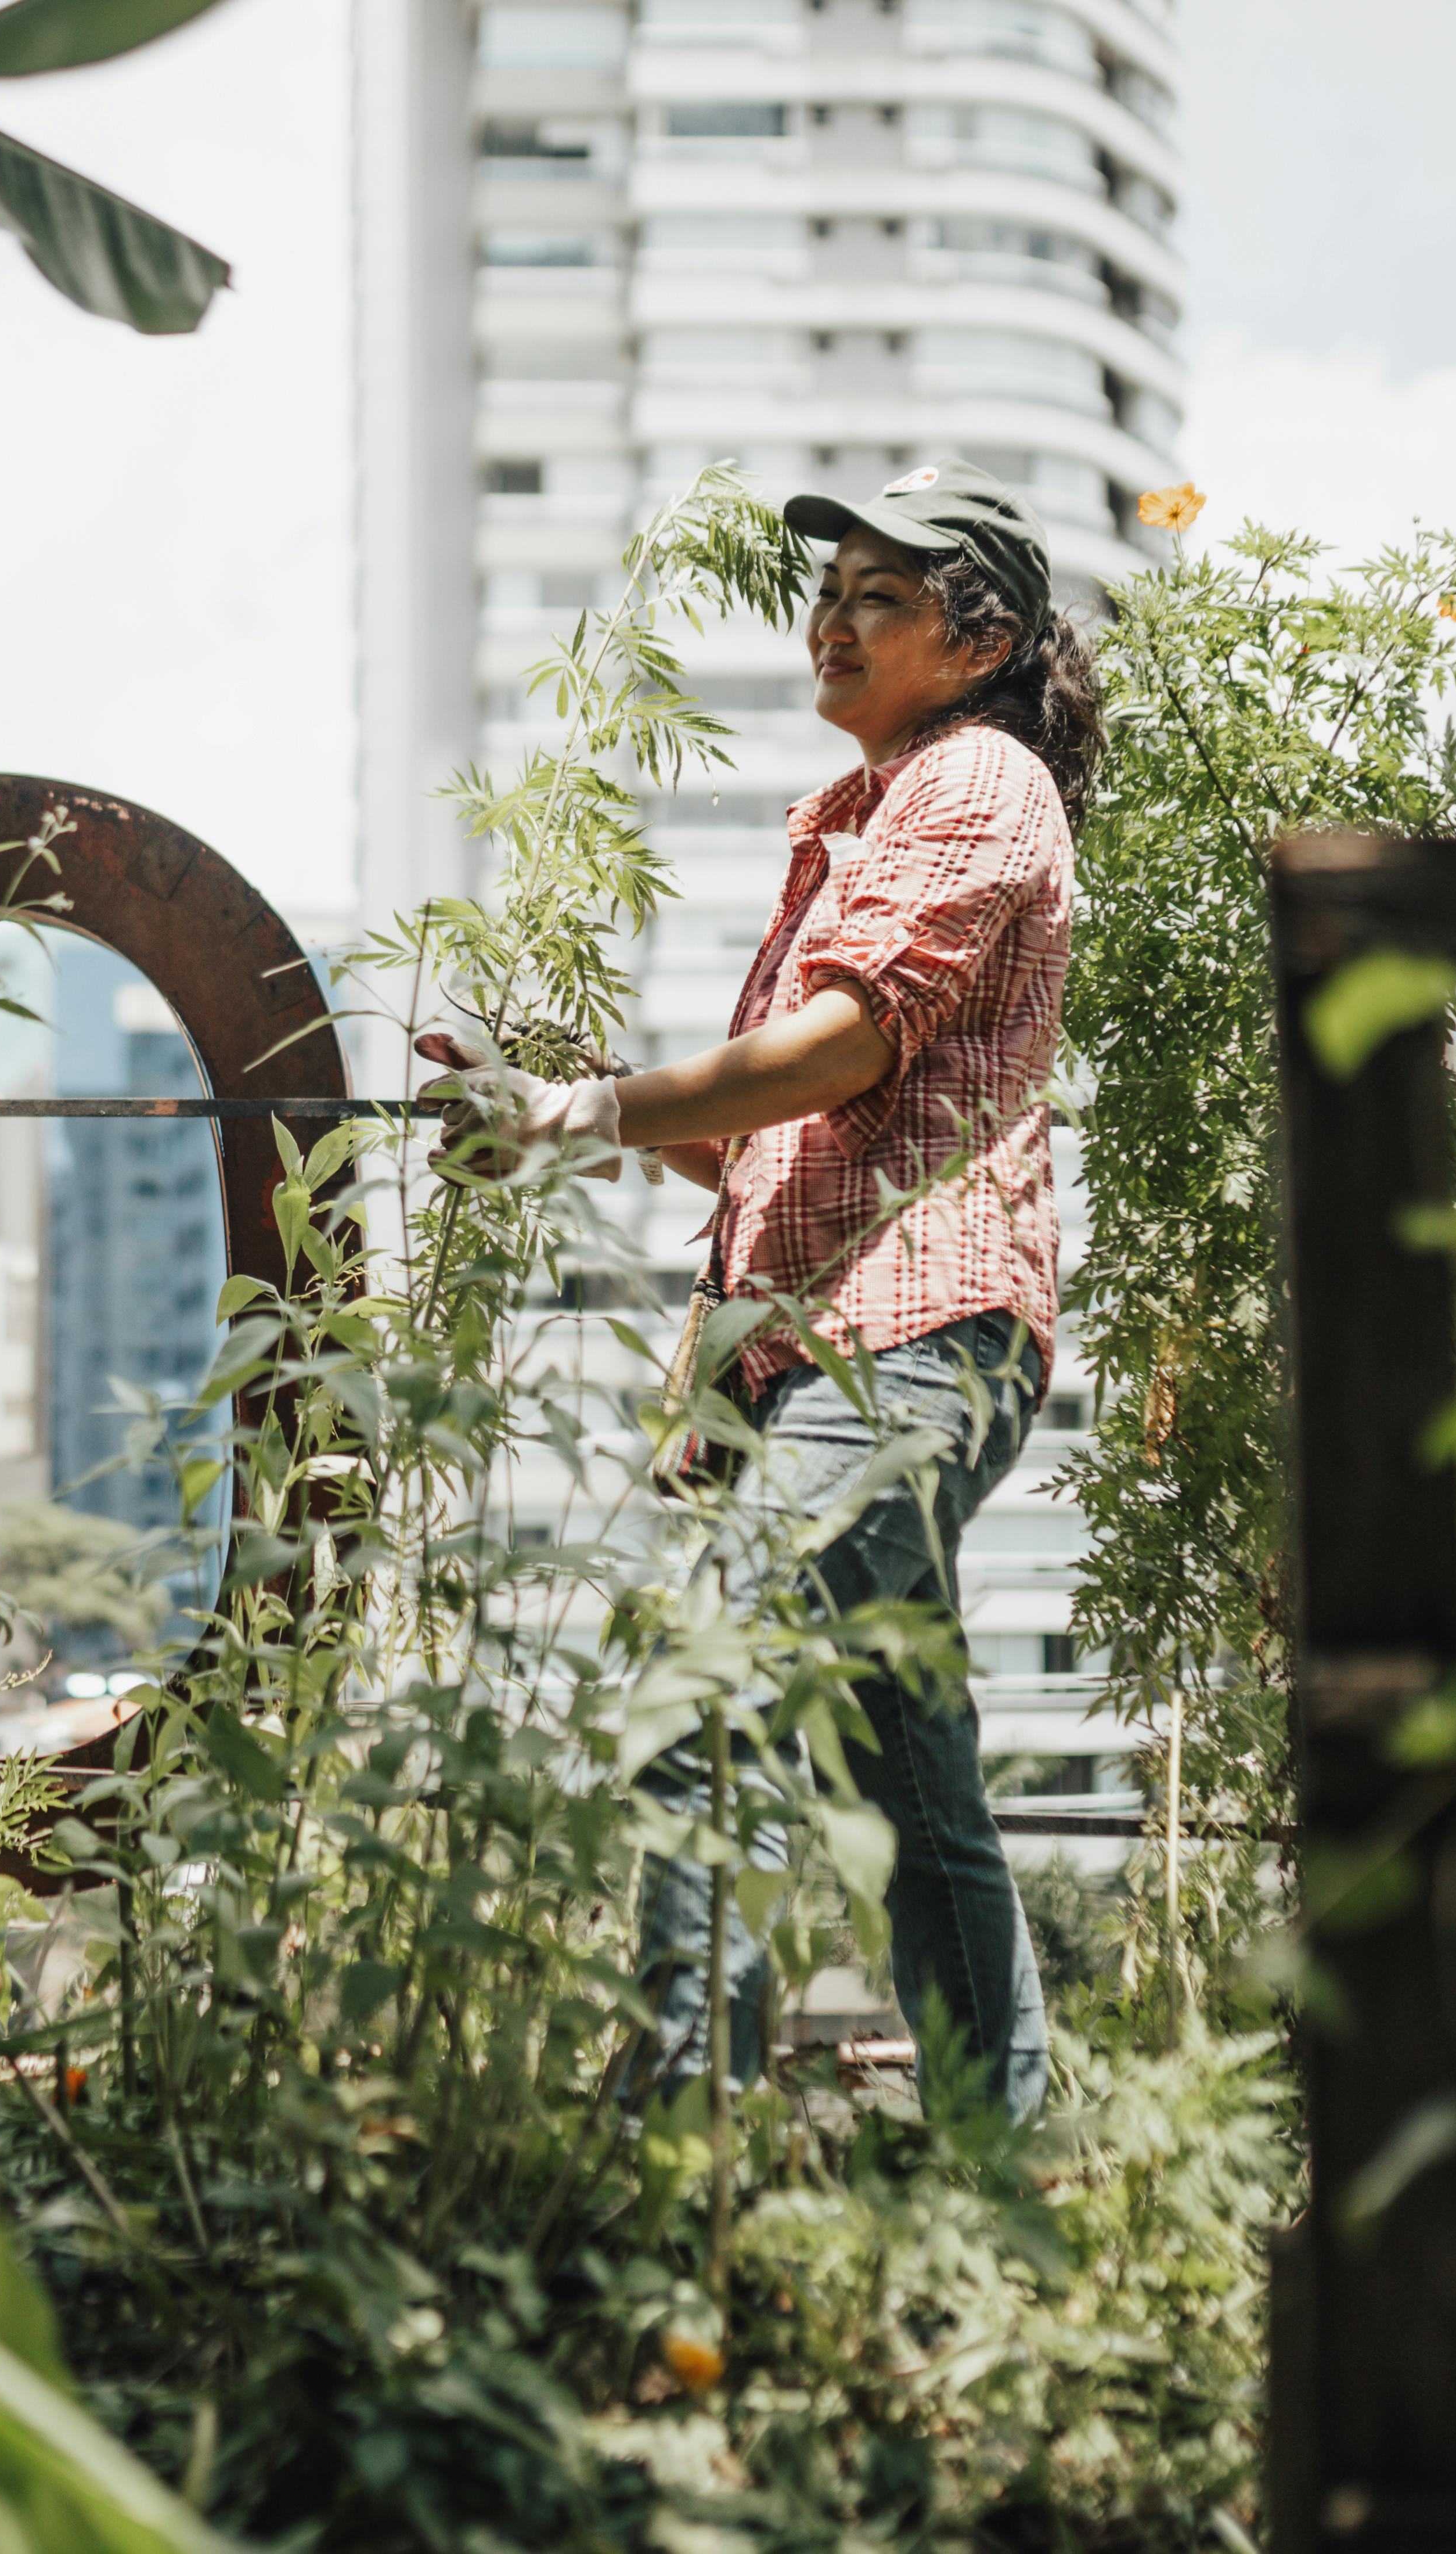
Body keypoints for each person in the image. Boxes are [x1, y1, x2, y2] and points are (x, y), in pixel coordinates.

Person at [417, 459, 1099, 2118]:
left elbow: (849, 1040)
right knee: (906, 1778)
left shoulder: (977, 782)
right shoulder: (871, 815)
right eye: (829, 593)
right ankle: (1002, 2169)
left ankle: (677, 2125)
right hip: (830, 1348)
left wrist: (593, 1115)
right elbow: (777, 1149)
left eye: (881, 595)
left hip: (906, 1341)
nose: (833, 624)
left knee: (709, 1700)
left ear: (982, 633)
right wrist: (587, 1100)